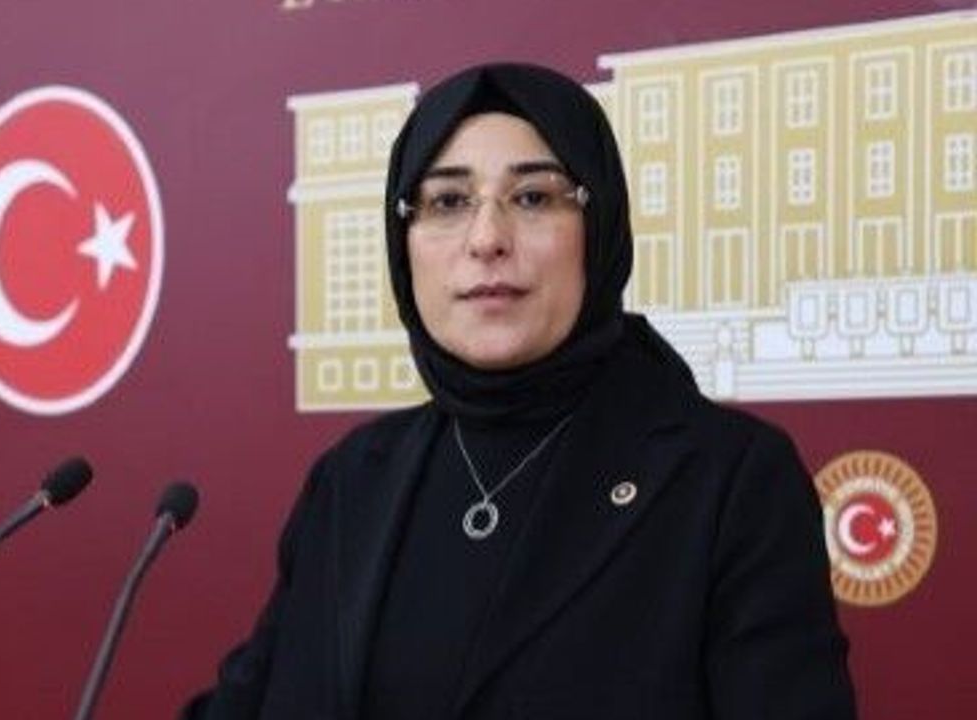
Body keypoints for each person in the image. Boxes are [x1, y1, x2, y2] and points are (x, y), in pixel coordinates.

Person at [183, 62, 856, 719]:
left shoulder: (727, 480)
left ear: (599, 228)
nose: (487, 239)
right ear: (402, 239)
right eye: (448, 202)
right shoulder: (352, 478)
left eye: (533, 197)